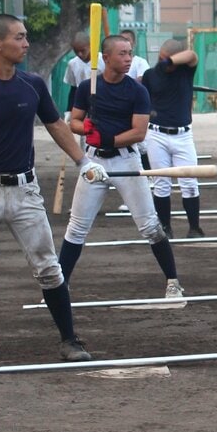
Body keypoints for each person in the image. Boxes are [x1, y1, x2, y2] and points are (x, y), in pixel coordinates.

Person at [0, 13, 108, 370]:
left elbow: (57, 126)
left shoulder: (32, 84)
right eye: (19, 37)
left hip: (25, 190)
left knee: (49, 268)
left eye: (26, 36)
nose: (26, 43)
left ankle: (69, 340)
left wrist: (84, 162)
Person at [58, 35, 184, 300]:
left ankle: (173, 281)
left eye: (130, 53)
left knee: (150, 226)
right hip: (93, 161)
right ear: (106, 58)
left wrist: (108, 139)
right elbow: (74, 122)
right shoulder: (86, 87)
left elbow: (139, 133)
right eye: (122, 54)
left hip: (126, 159)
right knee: (77, 227)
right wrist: (87, 129)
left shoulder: (137, 90)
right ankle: (59, 286)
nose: (128, 59)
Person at [140, 37, 204, 238]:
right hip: (157, 133)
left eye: (166, 60)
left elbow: (192, 55)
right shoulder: (151, 74)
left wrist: (172, 61)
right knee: (161, 182)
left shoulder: (185, 71)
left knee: (190, 182)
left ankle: (194, 227)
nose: (163, 63)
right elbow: (145, 97)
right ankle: (165, 227)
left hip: (182, 135)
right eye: (160, 58)